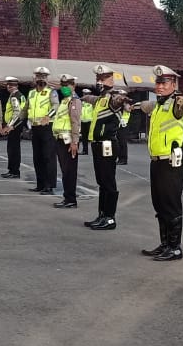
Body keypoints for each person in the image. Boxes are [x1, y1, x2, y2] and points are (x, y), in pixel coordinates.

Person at [136, 66, 183, 261]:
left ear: (173, 85)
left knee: (171, 204)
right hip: (157, 160)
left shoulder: (176, 102)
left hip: (171, 161)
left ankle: (175, 247)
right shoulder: (158, 105)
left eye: (164, 83)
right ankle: (165, 244)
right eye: (158, 82)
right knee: (160, 203)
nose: (160, 86)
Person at [83, 65, 129, 230]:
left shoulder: (113, 96)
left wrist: (123, 101)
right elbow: (92, 101)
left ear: (111, 79)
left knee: (108, 181)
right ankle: (102, 215)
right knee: (101, 181)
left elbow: (120, 101)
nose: (99, 81)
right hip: (97, 144)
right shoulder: (101, 98)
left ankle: (110, 218)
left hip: (108, 144)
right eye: (98, 78)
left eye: (103, 78)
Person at [53, 74, 84, 209]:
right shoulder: (65, 100)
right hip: (60, 138)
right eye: (63, 85)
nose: (65, 87)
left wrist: (75, 142)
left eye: (68, 85)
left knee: (70, 171)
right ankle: (67, 197)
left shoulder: (74, 101)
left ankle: (71, 199)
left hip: (69, 140)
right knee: (65, 170)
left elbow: (75, 122)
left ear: (74, 86)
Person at [0, 77, 25, 179]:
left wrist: (9, 126)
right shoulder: (20, 95)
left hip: (14, 125)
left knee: (12, 148)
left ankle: (14, 171)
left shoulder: (14, 96)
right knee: (14, 148)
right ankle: (13, 170)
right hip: (17, 124)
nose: (8, 87)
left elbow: (16, 112)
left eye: (9, 85)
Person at [79, 90, 94, 155]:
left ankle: (95, 151)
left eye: (87, 94)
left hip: (90, 121)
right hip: (82, 121)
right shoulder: (81, 102)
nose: (85, 95)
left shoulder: (92, 103)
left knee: (92, 137)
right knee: (84, 137)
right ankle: (85, 150)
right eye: (84, 94)